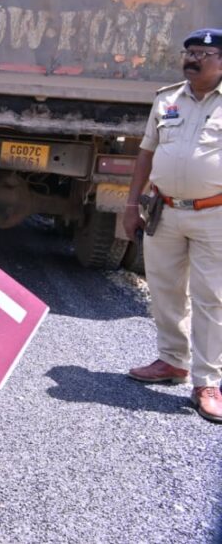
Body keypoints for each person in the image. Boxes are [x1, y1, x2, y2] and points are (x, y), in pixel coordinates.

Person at [124, 27, 222, 424]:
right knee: (165, 289)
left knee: (211, 297)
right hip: (164, 210)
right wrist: (131, 204)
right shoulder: (166, 100)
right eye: (189, 52)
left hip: (214, 215)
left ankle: (207, 382)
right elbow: (146, 154)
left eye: (203, 53)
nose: (192, 59)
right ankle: (172, 360)